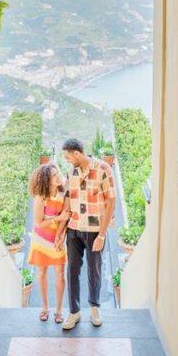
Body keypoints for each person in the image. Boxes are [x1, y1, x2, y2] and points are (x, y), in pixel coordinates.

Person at [55, 137, 116, 330]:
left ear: (77, 154)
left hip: (94, 229)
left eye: (67, 157)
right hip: (74, 228)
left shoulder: (103, 169)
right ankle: (74, 312)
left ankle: (95, 308)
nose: (66, 160)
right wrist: (60, 232)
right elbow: (67, 203)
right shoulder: (71, 172)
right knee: (72, 270)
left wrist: (102, 235)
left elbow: (111, 203)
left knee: (95, 270)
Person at [27, 163, 71, 323]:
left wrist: (61, 237)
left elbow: (66, 217)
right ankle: (45, 307)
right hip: (41, 240)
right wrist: (58, 218)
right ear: (47, 180)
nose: (58, 177)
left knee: (60, 274)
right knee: (42, 273)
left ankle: (59, 310)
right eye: (54, 176)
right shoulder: (41, 196)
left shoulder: (63, 192)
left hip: (57, 239)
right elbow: (39, 222)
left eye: (58, 173)